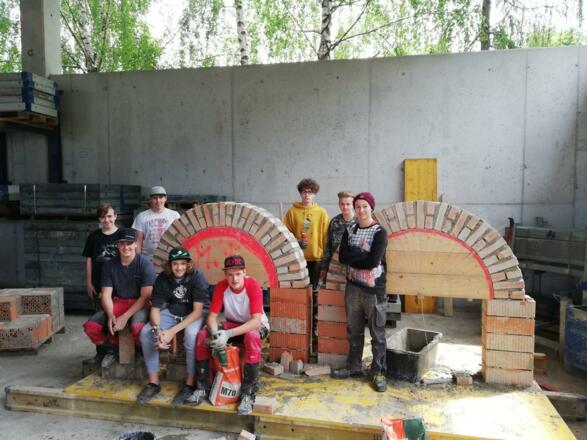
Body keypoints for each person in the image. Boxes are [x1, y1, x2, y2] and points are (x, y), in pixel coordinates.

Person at [186, 255, 270, 415]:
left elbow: (256, 321)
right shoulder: (221, 286)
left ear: (244, 272)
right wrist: (216, 333)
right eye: (230, 274)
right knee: (203, 335)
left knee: (252, 336)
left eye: (238, 274)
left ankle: (248, 393)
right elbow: (211, 317)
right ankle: (203, 387)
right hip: (232, 323)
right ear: (225, 274)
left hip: (255, 325)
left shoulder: (253, 285)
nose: (234, 279)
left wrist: (228, 334)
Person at [137, 247, 210, 405]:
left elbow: (198, 311)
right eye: (175, 264)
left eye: (183, 263)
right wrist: (158, 330)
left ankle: (189, 384)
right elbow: (155, 309)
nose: (179, 267)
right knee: (146, 333)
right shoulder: (163, 278)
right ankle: (153, 383)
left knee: (191, 335)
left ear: (188, 264)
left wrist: (171, 332)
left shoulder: (197, 276)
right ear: (170, 265)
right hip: (173, 311)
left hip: (194, 313)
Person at [331, 192, 388, 392]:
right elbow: (342, 258)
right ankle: (353, 367)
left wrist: (354, 256)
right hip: (353, 288)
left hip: (374, 291)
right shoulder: (350, 230)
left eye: (365, 206)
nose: (361, 210)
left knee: (377, 333)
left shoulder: (379, 232)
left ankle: (378, 372)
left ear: (371, 208)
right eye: (358, 207)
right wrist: (362, 254)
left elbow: (373, 262)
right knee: (353, 330)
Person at [83, 228, 157, 366]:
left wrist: (125, 317)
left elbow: (145, 297)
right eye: (122, 243)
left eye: (129, 243)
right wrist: (111, 315)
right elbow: (106, 295)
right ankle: (110, 349)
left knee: (137, 328)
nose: (125, 247)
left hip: (140, 303)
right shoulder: (109, 265)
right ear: (117, 245)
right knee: (91, 326)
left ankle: (141, 351)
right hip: (119, 301)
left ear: (136, 244)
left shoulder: (145, 264)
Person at [82, 203, 120, 364]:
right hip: (99, 286)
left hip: (118, 287)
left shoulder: (122, 235)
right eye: (103, 217)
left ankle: (114, 351)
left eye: (109, 216)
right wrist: (89, 282)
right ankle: (101, 351)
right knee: (98, 320)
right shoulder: (94, 237)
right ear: (99, 219)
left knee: (113, 319)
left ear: (115, 216)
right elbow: (89, 260)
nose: (107, 220)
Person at [283, 178, 330, 289]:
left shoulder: (322, 213)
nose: (307, 195)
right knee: (299, 289)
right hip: (297, 257)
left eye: (310, 192)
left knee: (314, 289)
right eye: (304, 192)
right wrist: (296, 243)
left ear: (315, 194)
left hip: (316, 258)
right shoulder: (292, 212)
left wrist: (325, 259)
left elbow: (326, 236)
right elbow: (286, 234)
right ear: (300, 193)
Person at [132, 186, 180, 259]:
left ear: (165, 198)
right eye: (155, 198)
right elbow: (138, 241)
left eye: (161, 197)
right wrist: (138, 260)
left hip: (169, 257)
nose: (158, 201)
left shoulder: (174, 215)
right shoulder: (142, 216)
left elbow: (179, 237)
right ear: (150, 199)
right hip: (147, 258)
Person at [319, 191, 356, 285]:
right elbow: (328, 246)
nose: (345, 207)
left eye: (348, 204)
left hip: (354, 268)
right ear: (339, 204)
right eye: (342, 204)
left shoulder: (359, 222)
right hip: (335, 267)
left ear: (353, 205)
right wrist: (324, 267)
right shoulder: (335, 221)